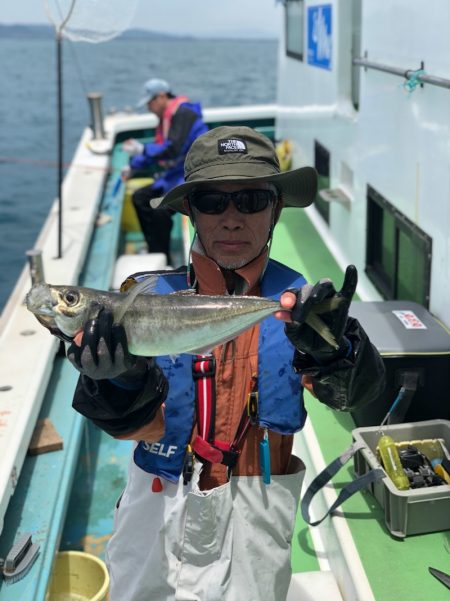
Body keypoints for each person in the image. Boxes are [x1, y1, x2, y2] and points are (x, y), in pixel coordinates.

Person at [67, 126, 385, 601]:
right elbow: (131, 426)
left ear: (276, 209)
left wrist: (339, 355)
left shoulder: (299, 306)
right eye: (213, 202)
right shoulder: (140, 299)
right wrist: (119, 379)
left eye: (252, 200)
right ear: (191, 210)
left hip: (259, 503)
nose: (231, 219)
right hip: (159, 496)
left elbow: (356, 398)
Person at [122, 78, 208, 264]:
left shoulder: (183, 114)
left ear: (161, 97)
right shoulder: (169, 117)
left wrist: (142, 150)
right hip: (173, 175)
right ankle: (155, 249)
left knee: (160, 210)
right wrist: (133, 166)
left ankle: (163, 256)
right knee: (140, 198)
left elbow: (172, 148)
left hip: (190, 176)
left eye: (150, 102)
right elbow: (161, 149)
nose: (149, 108)